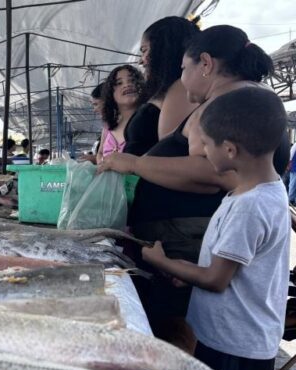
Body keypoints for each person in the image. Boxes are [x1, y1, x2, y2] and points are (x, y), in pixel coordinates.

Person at [99, 25, 287, 352]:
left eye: (184, 69)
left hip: (187, 236)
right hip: (197, 241)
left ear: (206, 63)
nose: (182, 79)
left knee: (180, 336)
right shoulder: (247, 98)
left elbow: (216, 174)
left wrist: (135, 164)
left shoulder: (229, 103)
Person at [142, 87, 289, 370]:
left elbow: (216, 279)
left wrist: (163, 262)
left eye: (205, 145)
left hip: (234, 344)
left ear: (230, 150)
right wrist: (187, 273)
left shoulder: (250, 206)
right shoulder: (256, 192)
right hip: (235, 336)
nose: (202, 152)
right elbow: (228, 269)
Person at [97, 65, 145, 162]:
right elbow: (100, 153)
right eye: (119, 83)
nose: (127, 85)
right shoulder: (108, 126)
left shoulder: (150, 122)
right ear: (111, 93)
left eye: (132, 80)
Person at [288, 141, 296, 205]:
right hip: (294, 168)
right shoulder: (295, 145)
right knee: (292, 184)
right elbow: (290, 155)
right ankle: (290, 199)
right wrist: (289, 164)